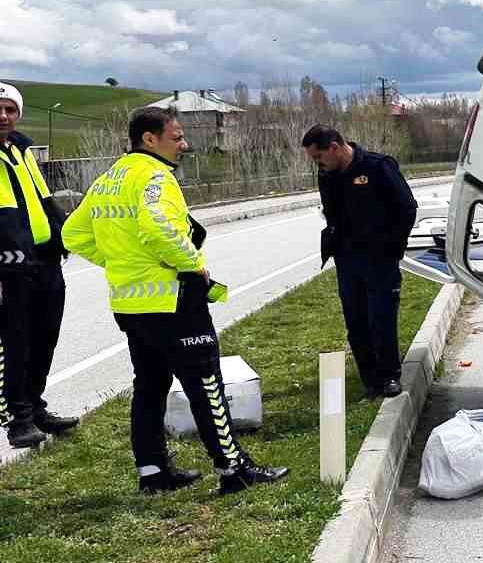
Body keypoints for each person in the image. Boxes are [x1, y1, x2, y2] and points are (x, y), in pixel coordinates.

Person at [62, 106, 288, 494]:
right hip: (173, 301)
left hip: (130, 306)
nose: (184, 144)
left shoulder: (107, 180)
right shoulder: (155, 176)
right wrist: (194, 264)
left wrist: (119, 261)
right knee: (206, 383)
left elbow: (73, 234)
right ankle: (233, 470)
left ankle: (153, 472)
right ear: (149, 139)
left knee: (149, 387)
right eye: (177, 136)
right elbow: (158, 227)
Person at [302, 125, 417, 399]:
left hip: (379, 259)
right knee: (356, 321)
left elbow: (407, 207)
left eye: (319, 157)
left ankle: (390, 376)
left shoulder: (378, 167)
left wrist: (393, 246)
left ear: (334, 146)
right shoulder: (327, 175)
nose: (318, 164)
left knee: (382, 318)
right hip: (347, 259)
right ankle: (370, 379)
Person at [0, 82, 78, 449]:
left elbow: (42, 197)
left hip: (43, 260)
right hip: (9, 268)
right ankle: (18, 420)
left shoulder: (21, 149)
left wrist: (62, 233)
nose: (3, 116)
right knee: (14, 343)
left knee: (44, 337)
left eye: (9, 109)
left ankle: (35, 406)